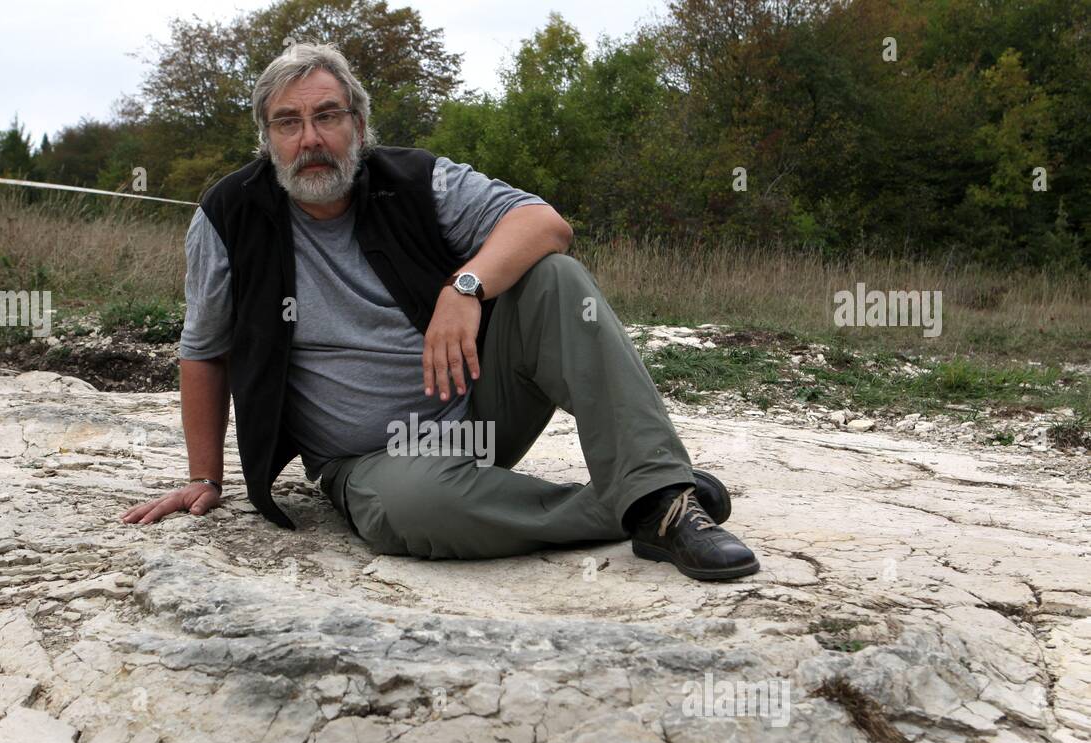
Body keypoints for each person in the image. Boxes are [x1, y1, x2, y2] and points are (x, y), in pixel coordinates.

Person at [121, 42, 759, 581]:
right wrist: (205, 475)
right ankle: (645, 502)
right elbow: (204, 348)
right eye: (288, 123)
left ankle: (663, 497)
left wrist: (466, 288)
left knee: (556, 279)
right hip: (371, 462)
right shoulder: (227, 216)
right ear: (267, 141)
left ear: (360, 128)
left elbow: (544, 222)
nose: (310, 139)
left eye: (327, 115)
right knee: (410, 512)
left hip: (477, 411)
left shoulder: (416, 179)